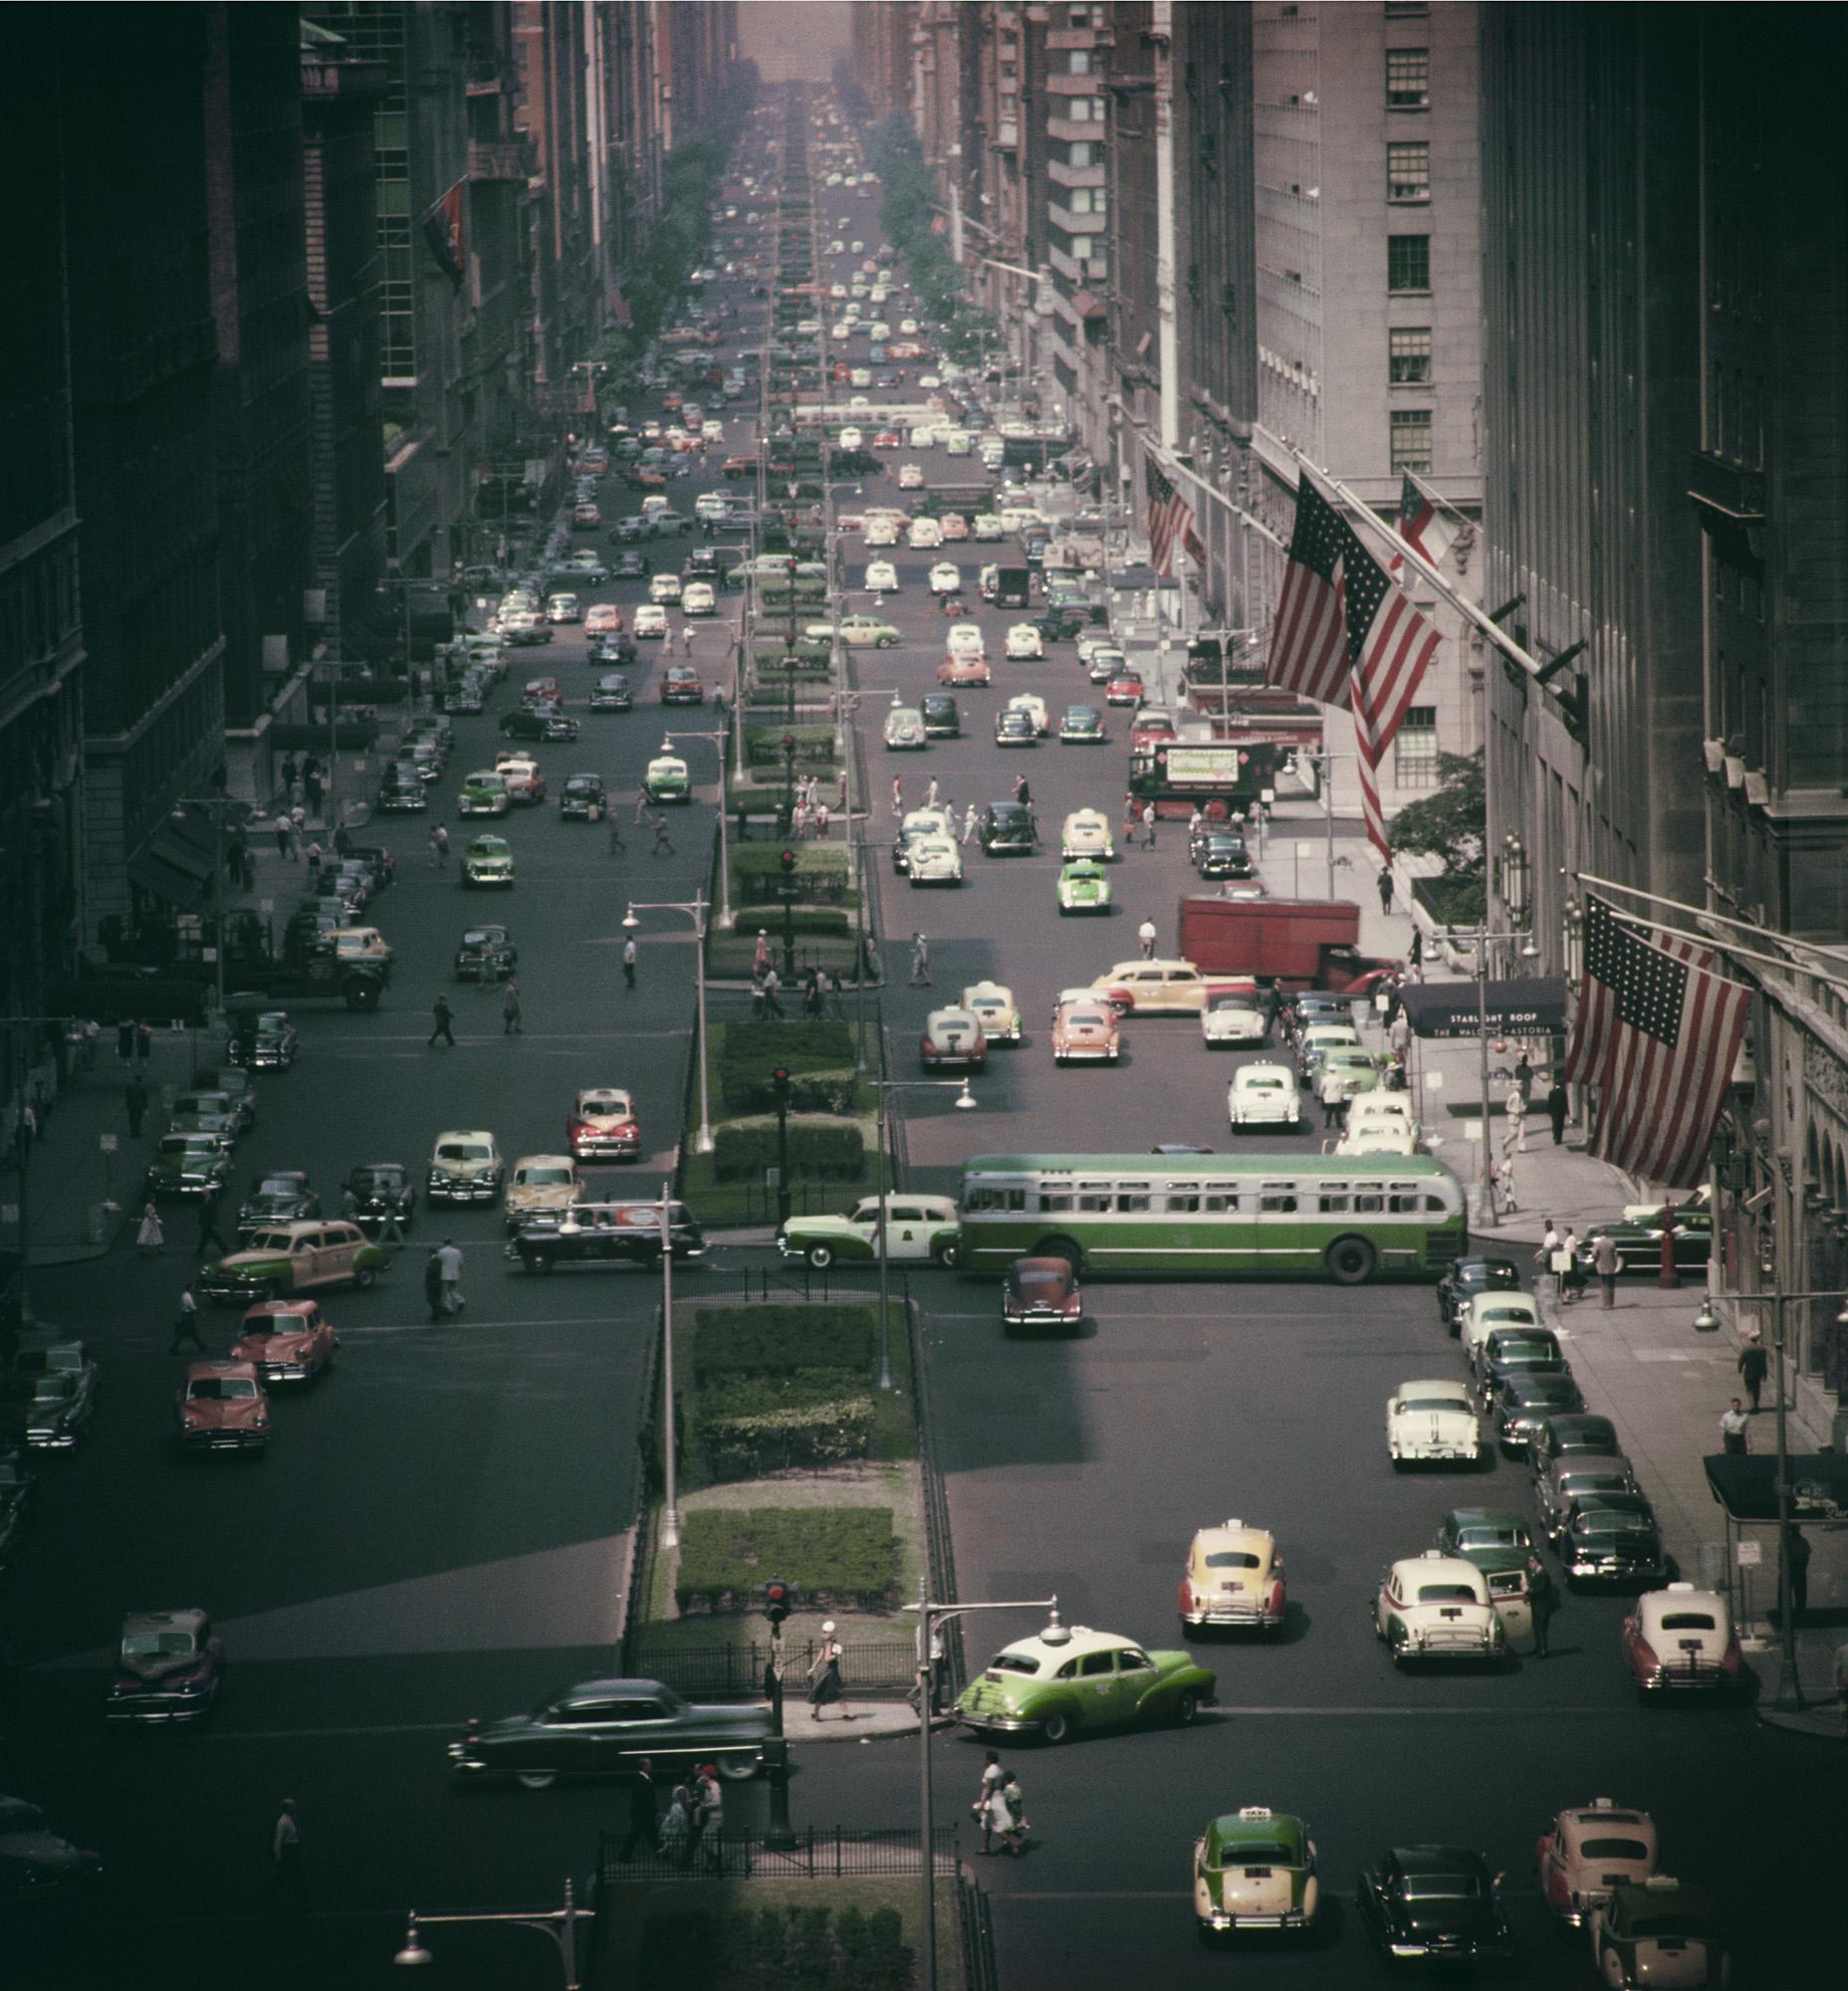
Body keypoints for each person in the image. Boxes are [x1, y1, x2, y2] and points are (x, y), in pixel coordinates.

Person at [808, 1621, 852, 1720]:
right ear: (832, 1632)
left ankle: (816, 1714)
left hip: (824, 1670)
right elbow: (827, 1658)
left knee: (821, 1692)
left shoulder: (825, 1642)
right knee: (838, 1691)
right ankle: (848, 1713)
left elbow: (821, 1655)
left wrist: (814, 1666)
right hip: (830, 1671)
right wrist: (837, 1654)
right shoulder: (830, 1643)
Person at [269, 1799, 308, 1911]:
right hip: (289, 1852)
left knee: (288, 1878)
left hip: (292, 1852)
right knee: (290, 1878)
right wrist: (278, 1856)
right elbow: (278, 1840)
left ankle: (302, 1902)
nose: (295, 1807)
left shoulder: (289, 1820)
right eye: (292, 1806)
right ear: (287, 1807)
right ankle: (303, 1903)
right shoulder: (283, 1822)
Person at [618, 1759, 657, 1864]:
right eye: (650, 1764)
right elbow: (645, 1797)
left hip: (642, 1813)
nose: (651, 1766)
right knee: (646, 1834)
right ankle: (624, 1856)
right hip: (642, 1814)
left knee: (648, 1834)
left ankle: (624, 1856)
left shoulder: (642, 1778)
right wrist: (653, 1808)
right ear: (644, 1766)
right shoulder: (640, 1779)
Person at [691, 1763, 725, 1873]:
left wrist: (703, 1806)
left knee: (707, 1839)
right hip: (711, 1817)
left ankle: (714, 1863)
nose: (703, 1776)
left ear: (709, 1775)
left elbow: (717, 1802)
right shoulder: (708, 1786)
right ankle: (714, 1863)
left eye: (704, 1774)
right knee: (712, 1841)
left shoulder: (714, 1785)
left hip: (715, 1817)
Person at [658, 1786, 694, 1868]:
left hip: (679, 1828)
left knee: (675, 1844)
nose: (683, 1795)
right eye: (681, 1794)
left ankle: (666, 1853)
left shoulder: (683, 1805)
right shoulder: (677, 1807)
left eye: (683, 1794)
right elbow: (677, 1820)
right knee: (673, 1843)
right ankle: (665, 1853)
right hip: (675, 1828)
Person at [169, 1284, 207, 1356]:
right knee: (183, 1333)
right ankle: (173, 1347)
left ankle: (201, 1346)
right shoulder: (188, 1297)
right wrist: (202, 1314)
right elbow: (193, 1308)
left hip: (185, 1316)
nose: (194, 1289)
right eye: (193, 1288)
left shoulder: (184, 1295)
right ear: (189, 1289)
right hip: (188, 1317)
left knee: (193, 1333)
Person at [194, 1186, 231, 1259]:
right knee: (211, 1237)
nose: (203, 1193)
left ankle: (200, 1252)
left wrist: (214, 1223)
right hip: (207, 1223)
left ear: (207, 1192)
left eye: (204, 1192)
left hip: (209, 1223)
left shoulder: (211, 1201)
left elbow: (214, 1213)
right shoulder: (207, 1200)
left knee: (207, 1238)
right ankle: (224, 1249)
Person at [1737, 1327, 1768, 1413]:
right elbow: (1763, 1363)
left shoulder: (1746, 1349)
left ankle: (1752, 1406)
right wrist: (1765, 1374)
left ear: (1750, 1339)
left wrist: (1739, 1369)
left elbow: (1741, 1360)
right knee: (1757, 1388)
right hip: (1758, 1373)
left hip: (1749, 1372)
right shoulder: (1762, 1349)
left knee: (1749, 1389)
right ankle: (1756, 1404)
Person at [1783, 1525, 1810, 1621]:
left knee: (1800, 1592)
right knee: (1787, 1592)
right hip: (1791, 1568)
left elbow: (1806, 1557)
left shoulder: (1802, 1542)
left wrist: (1802, 1567)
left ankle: (1800, 1611)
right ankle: (1787, 1611)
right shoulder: (1788, 1541)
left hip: (1798, 1568)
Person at [436, 1237, 465, 1315]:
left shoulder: (441, 1251)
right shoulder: (457, 1251)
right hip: (455, 1274)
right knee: (453, 1289)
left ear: (444, 1243)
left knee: (446, 1291)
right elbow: (461, 1263)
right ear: (451, 1243)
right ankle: (461, 1300)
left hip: (445, 1274)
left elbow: (438, 1262)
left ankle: (449, 1308)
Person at [1593, 1230, 1621, 1308]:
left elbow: (1594, 1254)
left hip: (1601, 1267)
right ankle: (1611, 1304)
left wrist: (1596, 1261)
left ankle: (1606, 1304)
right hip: (1610, 1266)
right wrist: (1615, 1265)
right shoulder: (1612, 1243)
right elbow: (1615, 1255)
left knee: (1604, 1286)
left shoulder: (1597, 1243)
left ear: (1600, 1234)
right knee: (1611, 1285)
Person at [1558, 1224, 1584, 1304]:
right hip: (1567, 1258)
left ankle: (1578, 1289)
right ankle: (1569, 1291)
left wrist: (1565, 1254)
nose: (1562, 1233)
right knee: (1567, 1276)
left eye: (1563, 1231)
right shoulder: (1569, 1238)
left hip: (1570, 1259)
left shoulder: (1571, 1239)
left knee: (1570, 1275)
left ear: (1567, 1231)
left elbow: (1572, 1250)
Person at [423, 1247, 448, 1322]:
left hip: (434, 1283)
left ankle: (443, 1311)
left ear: (430, 1252)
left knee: (431, 1300)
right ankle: (435, 1315)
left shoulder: (434, 1261)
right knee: (435, 1300)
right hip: (436, 1283)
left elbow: (434, 1271)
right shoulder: (436, 1260)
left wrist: (428, 1271)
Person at [1319, 1064, 1345, 1131]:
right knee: (1337, 1112)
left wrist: (1320, 1095)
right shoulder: (1338, 1078)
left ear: (1328, 1070)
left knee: (1329, 1111)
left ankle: (1327, 1124)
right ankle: (1339, 1124)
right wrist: (1341, 1096)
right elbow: (1340, 1089)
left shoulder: (1325, 1078)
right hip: (1336, 1096)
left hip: (1328, 1096)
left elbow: (1322, 1088)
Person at [1504, 1080, 1527, 1153]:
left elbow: (1524, 1103)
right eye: (1520, 1085)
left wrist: (1524, 1107)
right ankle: (1505, 1142)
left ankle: (1521, 1148)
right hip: (1514, 1116)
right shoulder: (1512, 1096)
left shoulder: (1523, 1095)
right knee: (1513, 1132)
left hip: (1522, 1116)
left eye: (1522, 1085)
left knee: (1522, 1132)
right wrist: (1515, 1111)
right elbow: (1507, 1107)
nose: (1522, 1087)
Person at [124, 1075, 149, 1139]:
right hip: (139, 1105)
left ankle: (132, 1133)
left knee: (131, 1119)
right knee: (139, 1120)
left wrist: (127, 1104)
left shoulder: (130, 1086)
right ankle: (138, 1133)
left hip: (132, 1105)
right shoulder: (143, 1087)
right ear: (140, 1080)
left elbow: (127, 1096)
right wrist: (146, 1107)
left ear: (135, 1079)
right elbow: (145, 1098)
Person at [1546, 1074, 1568, 1146]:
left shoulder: (1551, 1092)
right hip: (1561, 1112)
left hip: (1554, 1111)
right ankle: (1559, 1138)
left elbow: (1550, 1102)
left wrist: (1548, 1110)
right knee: (1561, 1125)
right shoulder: (1563, 1093)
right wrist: (1567, 1111)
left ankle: (1555, 1135)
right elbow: (1565, 1103)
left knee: (1554, 1124)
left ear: (1555, 1084)